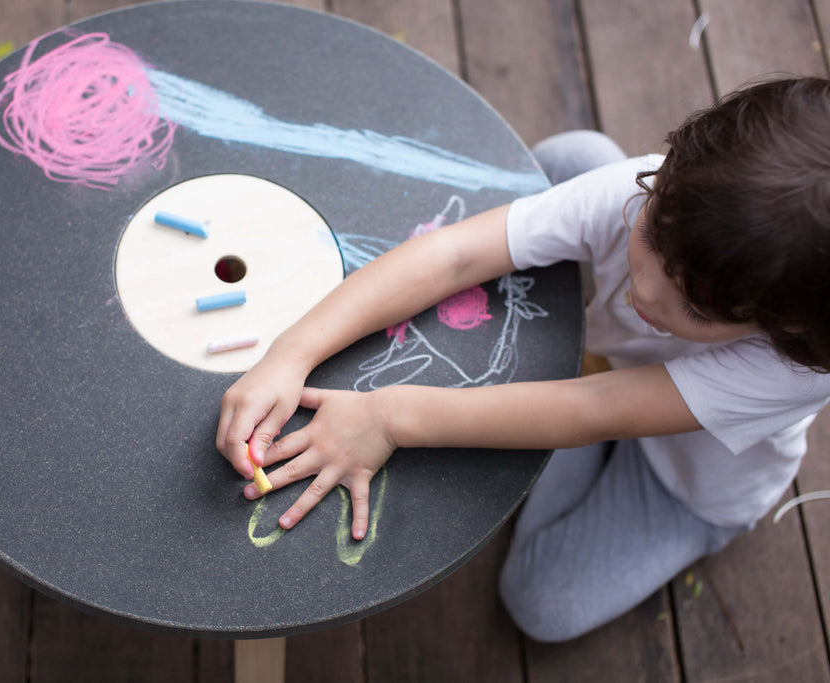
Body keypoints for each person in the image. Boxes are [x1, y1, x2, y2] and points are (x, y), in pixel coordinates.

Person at [215, 77, 830, 641]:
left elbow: (595, 409)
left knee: (542, 604)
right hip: (605, 380)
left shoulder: (792, 368)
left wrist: (386, 417)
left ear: (789, 326)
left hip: (684, 480)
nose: (646, 292)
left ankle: (590, 433)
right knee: (576, 160)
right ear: (668, 174)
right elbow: (454, 255)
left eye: (695, 309)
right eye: (652, 235)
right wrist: (290, 353)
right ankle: (577, 351)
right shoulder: (646, 190)